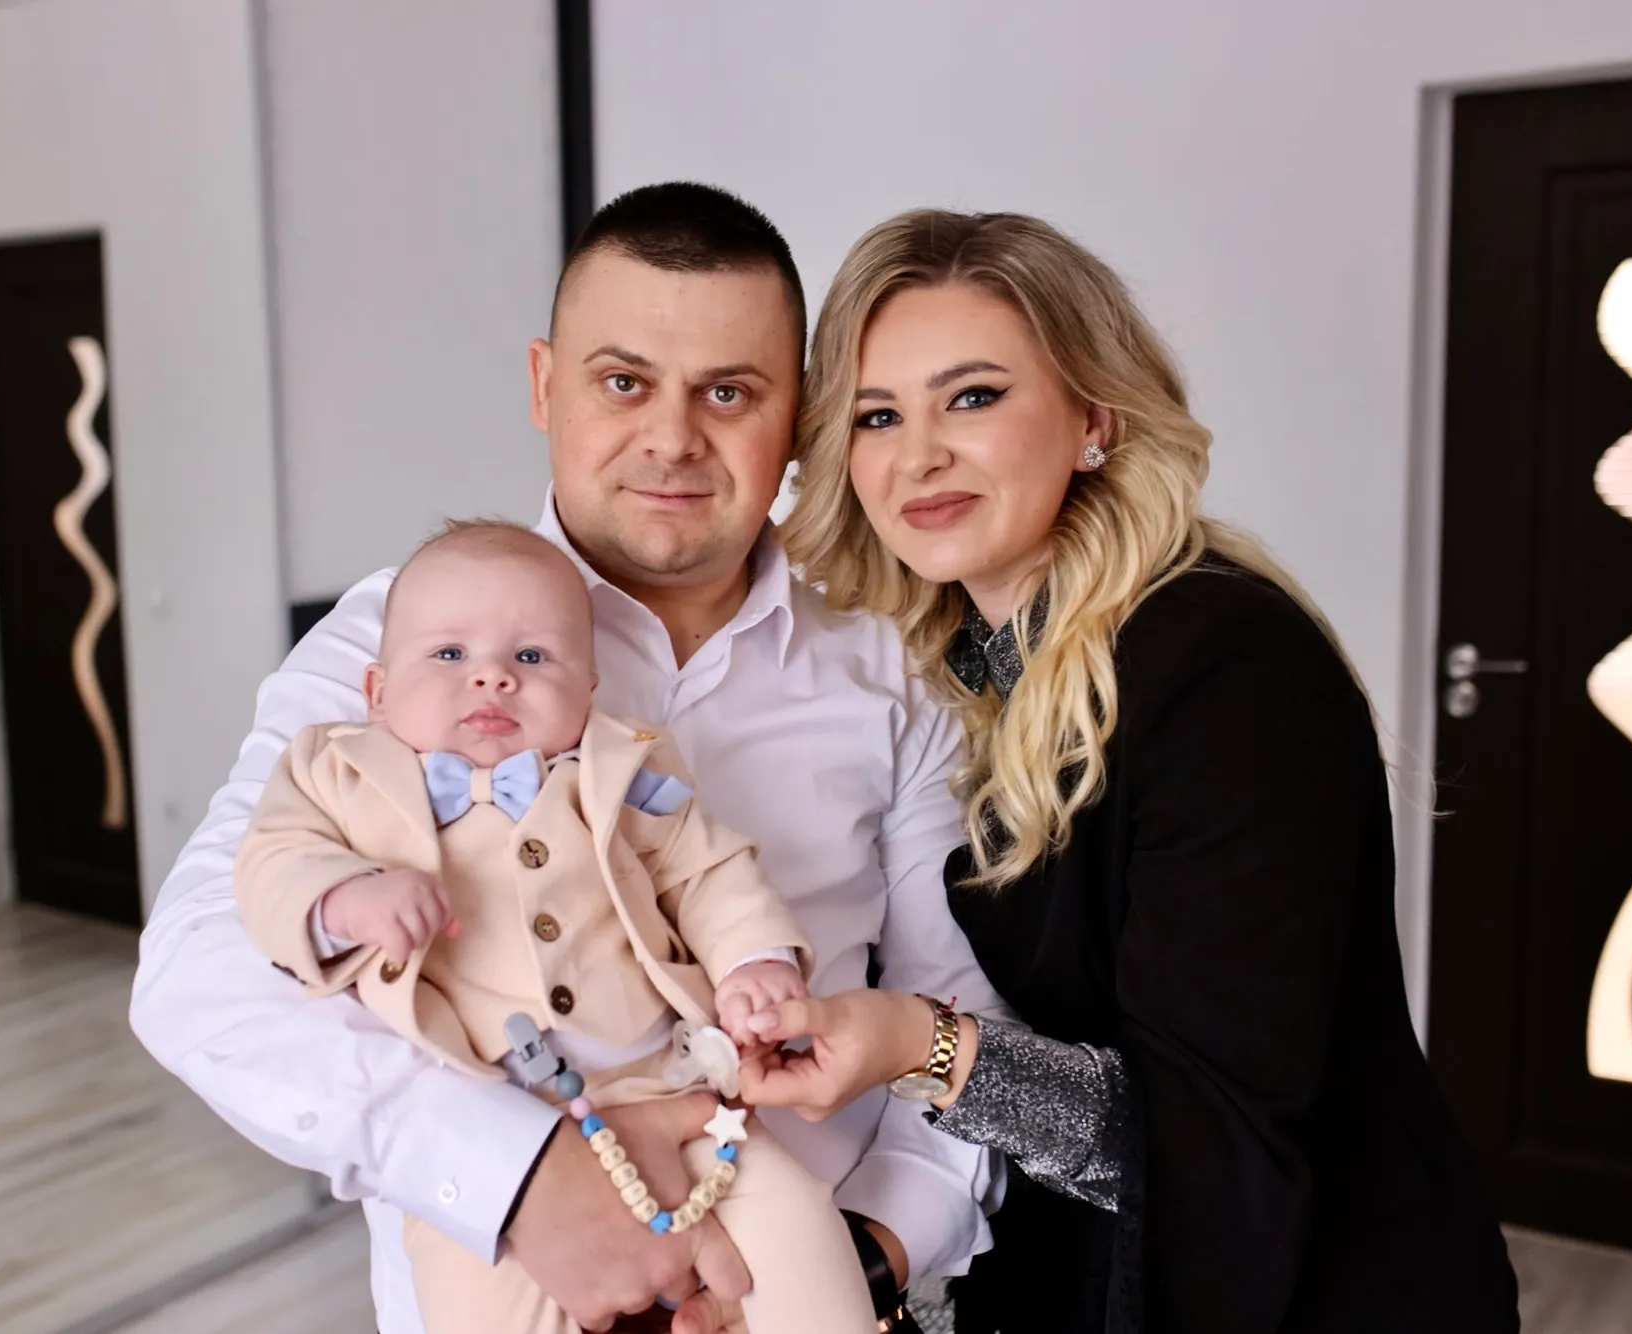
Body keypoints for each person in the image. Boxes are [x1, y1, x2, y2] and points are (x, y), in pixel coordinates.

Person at [131, 184, 1002, 1334]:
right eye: (622, 381)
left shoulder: (889, 670)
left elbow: (955, 1004)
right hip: (500, 1277)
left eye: (728, 392)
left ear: (797, 414)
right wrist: (521, 1174)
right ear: (545, 386)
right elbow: (197, 969)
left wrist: (869, 1251)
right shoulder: (393, 645)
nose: (671, 438)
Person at [740, 209, 1522, 1333]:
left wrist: (918, 1043)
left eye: (973, 397)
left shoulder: (1224, 667)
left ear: (1093, 417)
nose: (918, 456)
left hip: (1324, 1290)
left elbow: (1203, 1135)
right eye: (876, 415)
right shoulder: (952, 667)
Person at [232, 519, 874, 1333]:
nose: (492, 677)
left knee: (795, 1229)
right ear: (377, 692)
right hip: (481, 1116)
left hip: (666, 1086)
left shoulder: (622, 769)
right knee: (479, 1301)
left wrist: (756, 960)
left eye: (532, 658)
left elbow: (707, 870)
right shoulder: (335, 770)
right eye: (449, 654)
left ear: (589, 690)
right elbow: (271, 862)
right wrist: (346, 898)